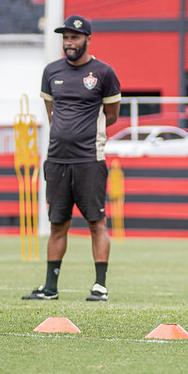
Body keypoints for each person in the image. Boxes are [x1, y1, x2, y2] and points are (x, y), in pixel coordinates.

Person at [22, 15, 121, 302]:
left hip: (90, 159)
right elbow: (52, 113)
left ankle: (99, 286)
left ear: (87, 39)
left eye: (74, 38)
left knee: (96, 222)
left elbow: (112, 116)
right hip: (57, 160)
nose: (69, 43)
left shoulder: (104, 72)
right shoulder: (51, 72)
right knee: (57, 224)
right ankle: (50, 288)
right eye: (65, 38)